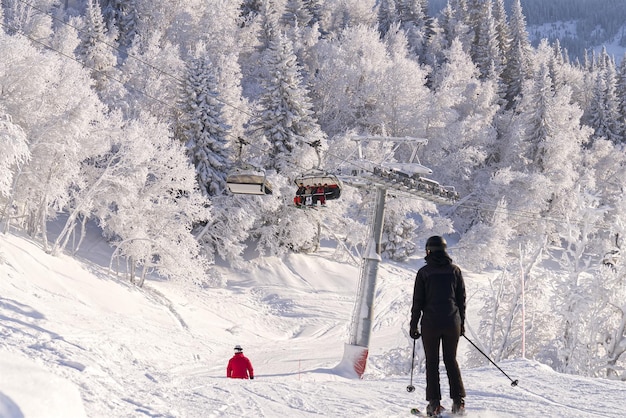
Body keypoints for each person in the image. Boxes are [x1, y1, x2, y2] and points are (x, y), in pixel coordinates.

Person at [410, 236, 466, 416]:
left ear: (429, 251)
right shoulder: (455, 271)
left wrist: (414, 325)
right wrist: (461, 323)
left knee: (432, 362)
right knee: (451, 360)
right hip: (452, 323)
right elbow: (461, 300)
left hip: (431, 324)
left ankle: (434, 404)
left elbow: (417, 302)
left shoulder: (424, 273)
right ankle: (458, 403)